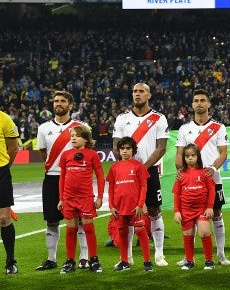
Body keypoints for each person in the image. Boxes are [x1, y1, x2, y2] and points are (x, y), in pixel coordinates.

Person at [112, 83, 170, 267]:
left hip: (148, 171)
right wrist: (129, 167)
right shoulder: (122, 119)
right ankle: (127, 257)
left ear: (149, 95)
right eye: (134, 91)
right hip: (125, 172)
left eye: (141, 91)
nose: (137, 94)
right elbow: (116, 147)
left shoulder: (159, 118)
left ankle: (159, 254)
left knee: (154, 210)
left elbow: (161, 148)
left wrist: (141, 169)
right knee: (125, 214)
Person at [35, 90, 91, 271]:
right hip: (52, 178)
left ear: (70, 105)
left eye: (62, 101)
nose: (58, 104)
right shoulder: (43, 128)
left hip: (75, 179)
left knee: (80, 219)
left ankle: (84, 258)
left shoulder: (81, 126)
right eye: (56, 101)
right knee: (52, 220)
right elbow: (44, 153)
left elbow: (88, 152)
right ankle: (51, 259)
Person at [175, 89, 230, 266]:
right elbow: (179, 153)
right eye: (196, 100)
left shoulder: (218, 127)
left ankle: (220, 254)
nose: (199, 103)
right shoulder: (185, 128)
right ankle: (188, 257)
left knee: (216, 213)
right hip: (190, 180)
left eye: (202, 100)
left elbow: (223, 153)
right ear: (192, 105)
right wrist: (180, 169)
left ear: (208, 104)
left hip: (212, 179)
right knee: (188, 219)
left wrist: (213, 168)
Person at [57, 125, 105, 273]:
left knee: (89, 229)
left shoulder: (92, 155)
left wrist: (100, 197)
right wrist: (61, 199)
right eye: (72, 135)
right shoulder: (65, 155)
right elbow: (62, 178)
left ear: (85, 138)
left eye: (77, 135)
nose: (73, 138)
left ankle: (94, 260)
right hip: (69, 199)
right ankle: (70, 261)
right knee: (71, 230)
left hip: (85, 198)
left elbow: (100, 176)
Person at [107, 137, 152, 272]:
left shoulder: (138, 166)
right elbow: (111, 188)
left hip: (135, 208)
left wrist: (140, 204)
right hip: (119, 208)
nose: (125, 151)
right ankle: (124, 261)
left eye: (128, 148)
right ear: (119, 150)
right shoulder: (114, 167)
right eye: (122, 148)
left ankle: (147, 261)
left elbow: (144, 186)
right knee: (122, 233)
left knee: (140, 231)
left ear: (133, 150)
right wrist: (111, 206)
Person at [173, 144, 216, 270]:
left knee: (204, 232)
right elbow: (177, 194)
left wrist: (210, 207)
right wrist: (177, 211)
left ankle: (209, 261)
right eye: (187, 156)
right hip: (186, 209)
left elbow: (212, 190)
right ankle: (189, 261)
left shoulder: (205, 172)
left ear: (198, 156)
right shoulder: (180, 174)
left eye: (193, 155)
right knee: (188, 234)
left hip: (202, 208)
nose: (190, 158)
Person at [1, 108, 19, 275]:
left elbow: (13, 148)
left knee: (4, 219)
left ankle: (10, 262)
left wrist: (5, 168)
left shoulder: (4, 119)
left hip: (1, 172)